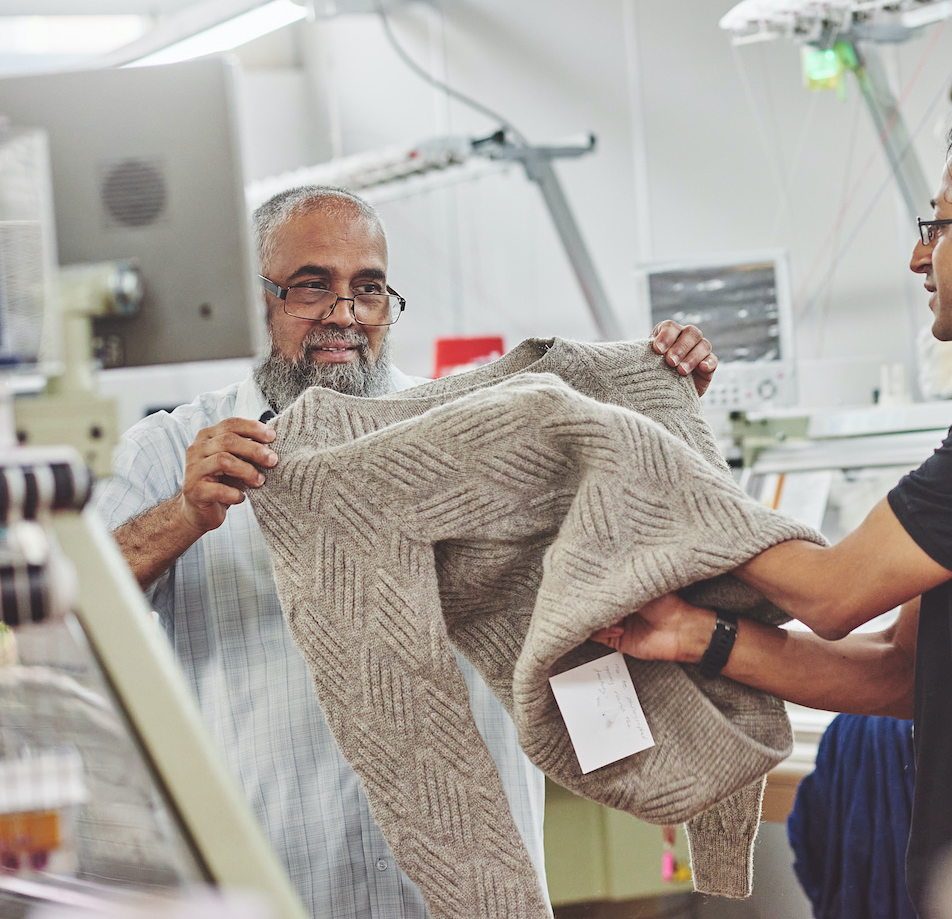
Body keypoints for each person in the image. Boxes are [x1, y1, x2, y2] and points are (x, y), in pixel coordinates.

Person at [593, 97, 952, 914]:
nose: (915, 256)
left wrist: (653, 447)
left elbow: (828, 596)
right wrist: (695, 635)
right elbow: (900, 675)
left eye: (937, 225)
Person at [95, 185, 719, 919]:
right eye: (311, 287)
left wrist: (661, 414)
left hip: (464, 886)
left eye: (368, 289)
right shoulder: (173, 450)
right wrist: (183, 514)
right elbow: (66, 614)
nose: (345, 314)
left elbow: (603, 562)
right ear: (251, 299)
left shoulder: (474, 431)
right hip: (273, 879)